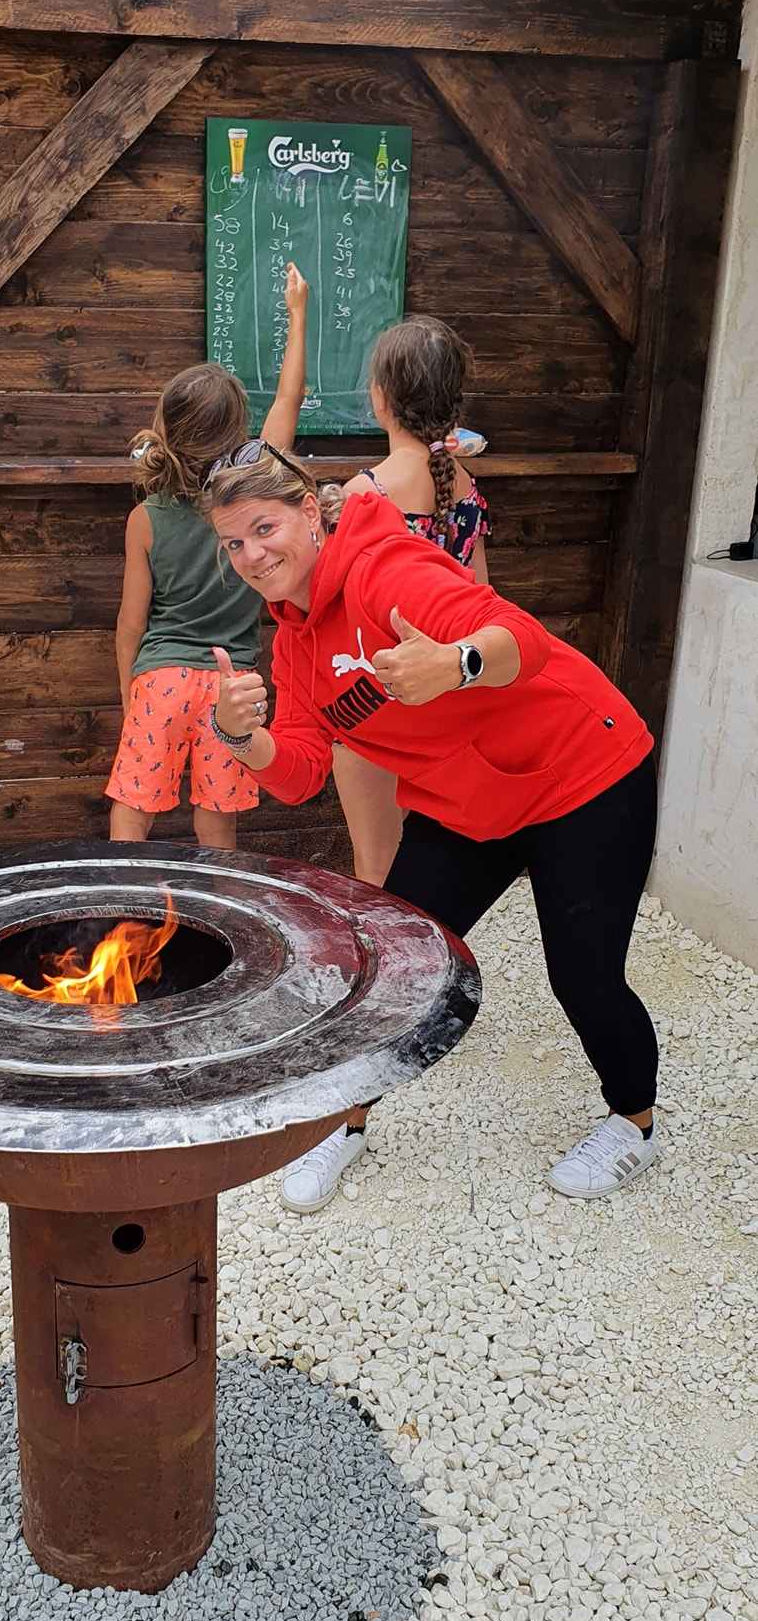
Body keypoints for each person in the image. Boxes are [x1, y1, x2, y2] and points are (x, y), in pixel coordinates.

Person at [199, 445, 659, 1214]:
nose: (252, 554)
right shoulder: (294, 643)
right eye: (233, 542)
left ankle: (633, 1121)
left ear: (309, 512)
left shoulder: (384, 570)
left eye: (264, 528)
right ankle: (341, 1123)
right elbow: (302, 772)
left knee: (584, 977)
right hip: (472, 803)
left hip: (585, 774)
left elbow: (522, 637)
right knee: (388, 967)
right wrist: (241, 736)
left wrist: (457, 663)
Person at [105, 265, 308, 849]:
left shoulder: (145, 519)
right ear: (238, 432)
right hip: (231, 686)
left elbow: (130, 625)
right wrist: (297, 314)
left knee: (132, 816)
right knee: (218, 823)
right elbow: (289, 399)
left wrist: (132, 695)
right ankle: (221, 905)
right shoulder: (254, 502)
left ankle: (121, 895)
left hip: (160, 680)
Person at [333, 316, 492, 886]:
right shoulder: (466, 489)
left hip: (376, 696)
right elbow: (481, 599)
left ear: (380, 398)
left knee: (375, 867)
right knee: (425, 865)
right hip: (446, 699)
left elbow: (338, 612)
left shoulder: (363, 494)